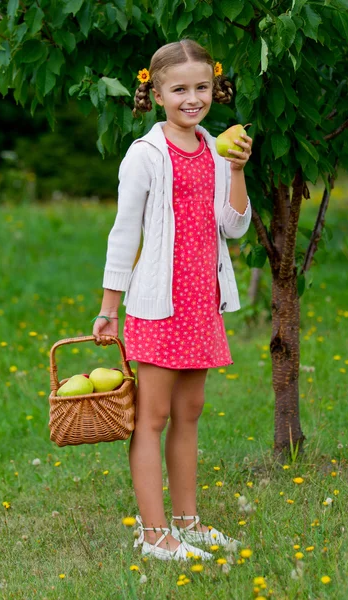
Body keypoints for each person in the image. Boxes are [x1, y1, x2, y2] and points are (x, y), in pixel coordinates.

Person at [92, 39, 253, 561]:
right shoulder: (145, 155)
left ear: (214, 88)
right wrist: (108, 309)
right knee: (152, 417)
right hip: (157, 304)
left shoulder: (214, 147)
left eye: (201, 87)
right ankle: (154, 533)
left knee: (190, 413)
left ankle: (188, 522)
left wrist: (236, 169)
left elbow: (234, 227)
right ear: (155, 93)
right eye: (179, 89)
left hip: (200, 303)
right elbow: (124, 234)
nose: (192, 98)